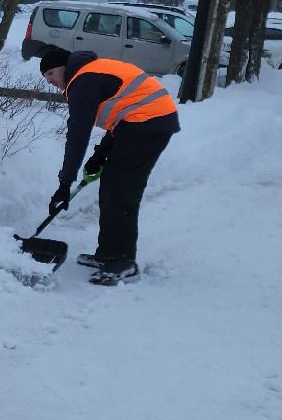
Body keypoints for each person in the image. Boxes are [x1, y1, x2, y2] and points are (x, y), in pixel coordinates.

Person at [39, 47, 180, 285]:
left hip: (147, 125)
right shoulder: (92, 72)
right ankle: (108, 255)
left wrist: (65, 183)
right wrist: (99, 156)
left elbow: (77, 134)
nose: (50, 81)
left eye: (51, 73)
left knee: (121, 192)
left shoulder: (82, 81)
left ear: (64, 66)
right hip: (141, 124)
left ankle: (122, 262)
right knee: (113, 188)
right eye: (47, 78)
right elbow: (121, 114)